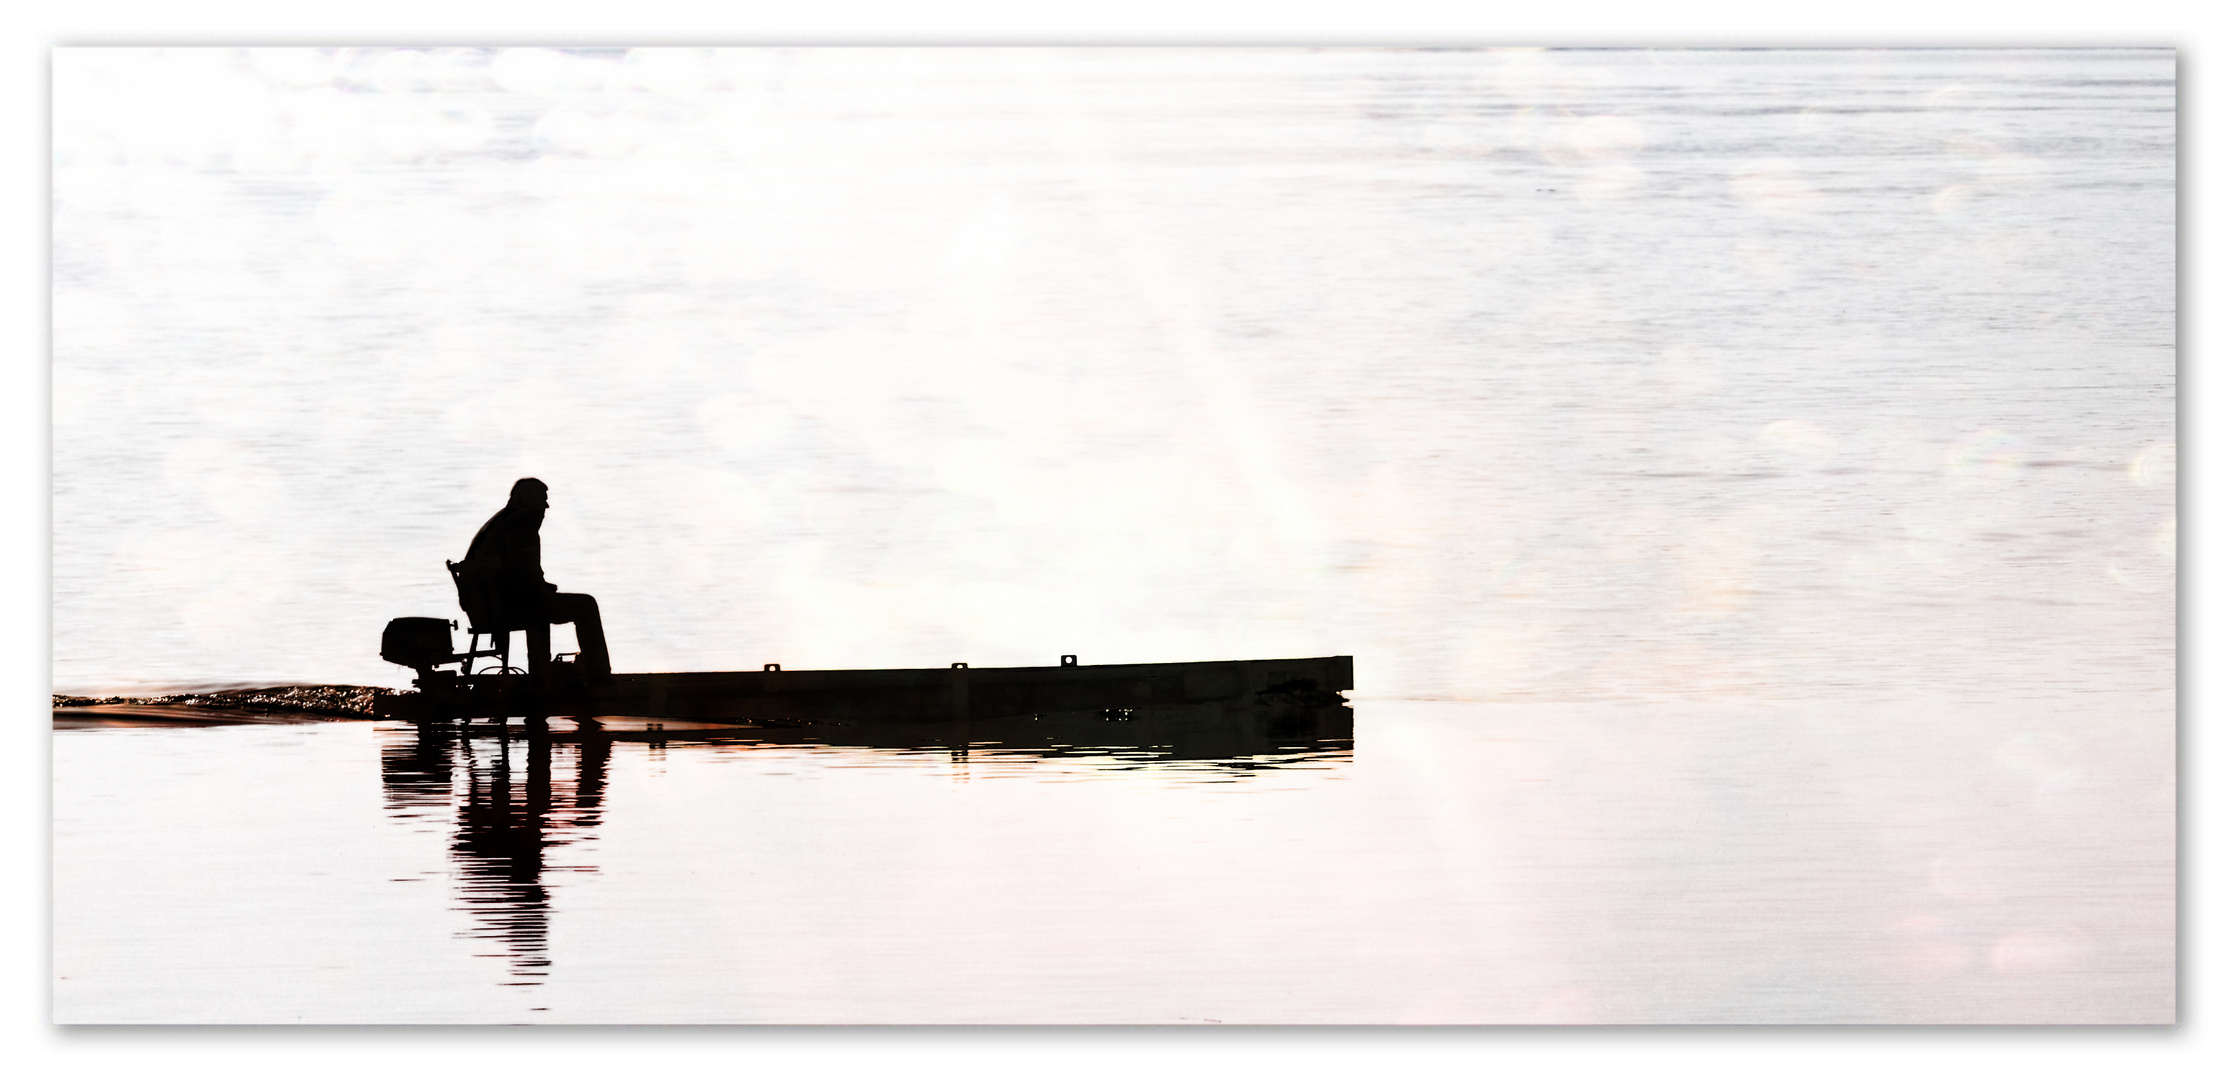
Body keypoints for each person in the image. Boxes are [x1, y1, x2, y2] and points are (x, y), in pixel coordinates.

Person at [460, 477, 611, 681]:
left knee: (540, 600)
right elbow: (525, 573)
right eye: (542, 498)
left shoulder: (498, 521)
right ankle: (599, 677)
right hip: (510, 608)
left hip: (487, 609)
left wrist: (540, 586)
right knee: (585, 605)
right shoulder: (522, 521)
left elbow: (516, 569)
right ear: (528, 499)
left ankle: (541, 673)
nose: (546, 505)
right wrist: (541, 587)